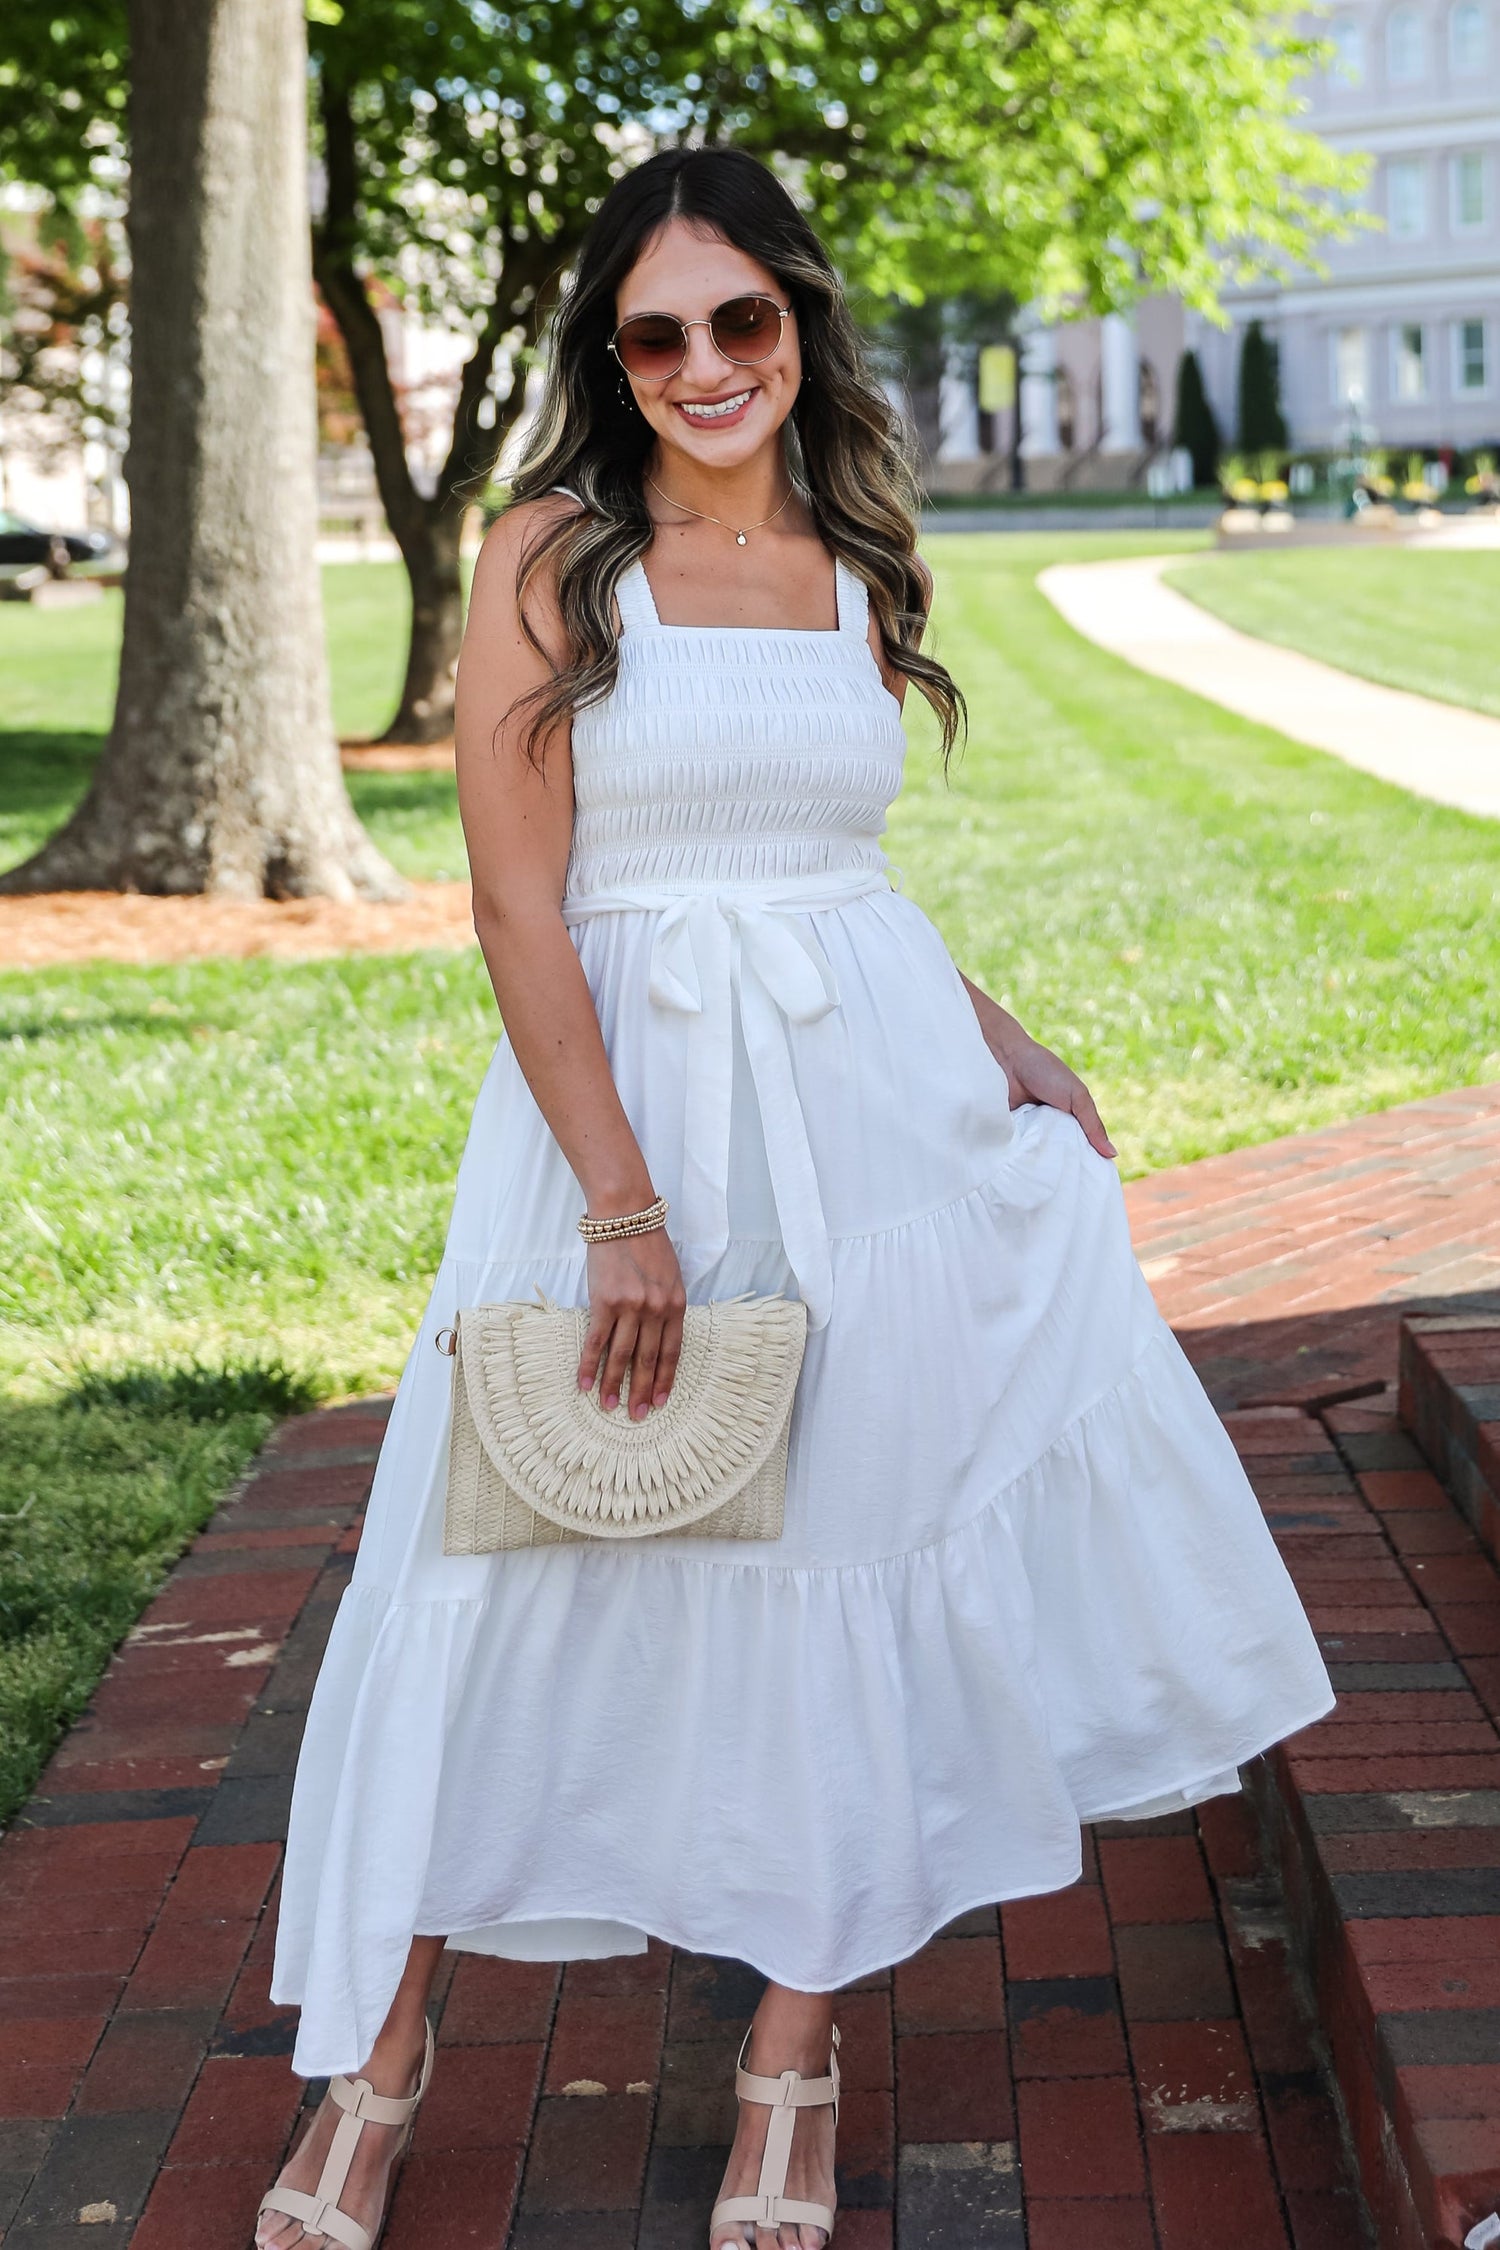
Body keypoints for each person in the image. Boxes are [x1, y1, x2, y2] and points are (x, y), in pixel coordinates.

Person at [257, 145, 1334, 2250]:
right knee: (507, 1560)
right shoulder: (553, 553)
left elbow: (837, 871)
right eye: (655, 332)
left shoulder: (855, 558)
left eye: (739, 317)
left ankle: (791, 2059)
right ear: (613, 356)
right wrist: (623, 1206)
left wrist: (1001, 1038)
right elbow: (518, 903)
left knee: (840, 1533)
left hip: (873, 1124)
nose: (703, 364)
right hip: (616, 1125)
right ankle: (376, 2063)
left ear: (799, 321)